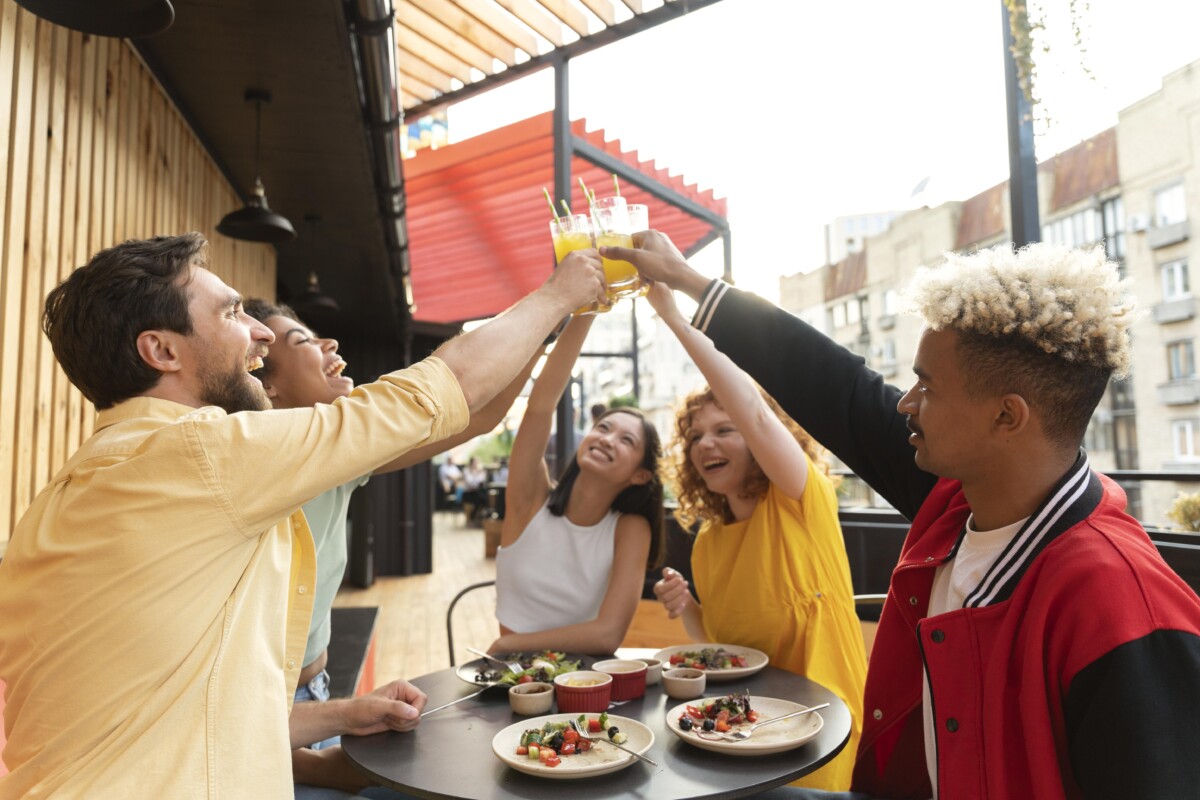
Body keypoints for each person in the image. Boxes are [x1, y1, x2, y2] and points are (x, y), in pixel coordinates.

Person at [0, 232, 606, 798]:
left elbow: (180, 696)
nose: (259, 334)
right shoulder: (201, 455)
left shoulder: (71, 492)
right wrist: (560, 294)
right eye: (232, 314)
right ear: (161, 350)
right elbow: (431, 396)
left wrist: (340, 712)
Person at [608, 233, 1200, 800]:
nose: (903, 403)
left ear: (1006, 417)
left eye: (925, 386)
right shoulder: (955, 497)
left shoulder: (1122, 602)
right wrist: (685, 279)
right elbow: (836, 387)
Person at [243, 299, 540, 799]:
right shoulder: (257, 467)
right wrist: (326, 766)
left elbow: (483, 415)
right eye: (302, 341)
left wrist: (542, 333)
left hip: (311, 700)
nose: (330, 344)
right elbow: (231, 724)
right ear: (266, 385)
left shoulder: (338, 457)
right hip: (261, 719)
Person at [646, 279, 866, 791]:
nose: (705, 445)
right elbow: (721, 645)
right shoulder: (708, 540)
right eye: (695, 436)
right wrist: (687, 608)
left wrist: (676, 319)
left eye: (725, 429)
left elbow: (755, 409)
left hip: (821, 727)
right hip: (743, 730)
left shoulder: (798, 499)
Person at [490, 315, 665, 656]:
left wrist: (508, 643)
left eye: (626, 440)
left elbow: (607, 635)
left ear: (640, 475)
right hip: (514, 681)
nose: (607, 439)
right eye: (603, 428)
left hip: (587, 682)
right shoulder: (530, 501)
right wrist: (586, 311)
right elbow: (540, 407)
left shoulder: (630, 528)